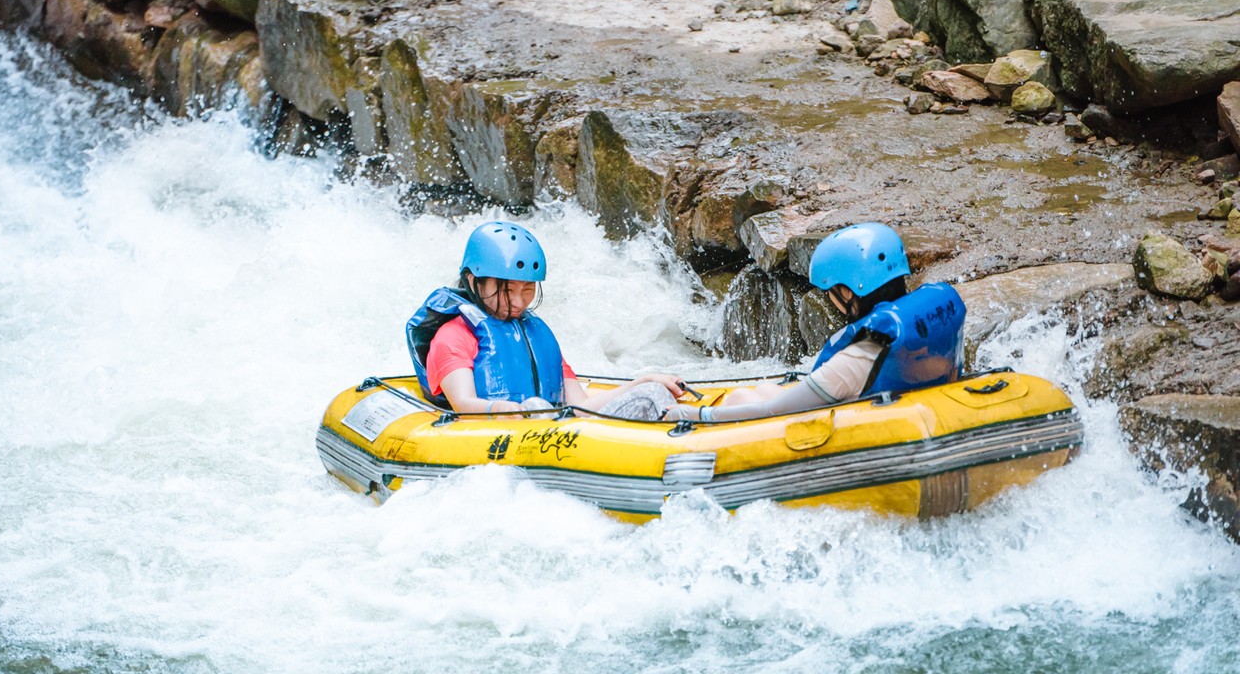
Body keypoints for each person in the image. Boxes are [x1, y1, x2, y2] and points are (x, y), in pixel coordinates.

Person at [664, 222, 965, 422]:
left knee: (742, 398)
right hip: (915, 411)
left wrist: (692, 416)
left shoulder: (861, 354)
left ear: (848, 291)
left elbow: (770, 413)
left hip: (861, 435)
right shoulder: (929, 317)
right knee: (762, 389)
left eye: (831, 290)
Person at [406, 221, 688, 418]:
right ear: (473, 280)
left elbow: (581, 406)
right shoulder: (453, 336)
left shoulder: (535, 332)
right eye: (506, 290)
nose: (518, 302)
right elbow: (464, 404)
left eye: (527, 289)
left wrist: (644, 381)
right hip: (501, 440)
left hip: (551, 433)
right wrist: (502, 410)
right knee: (534, 403)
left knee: (651, 394)